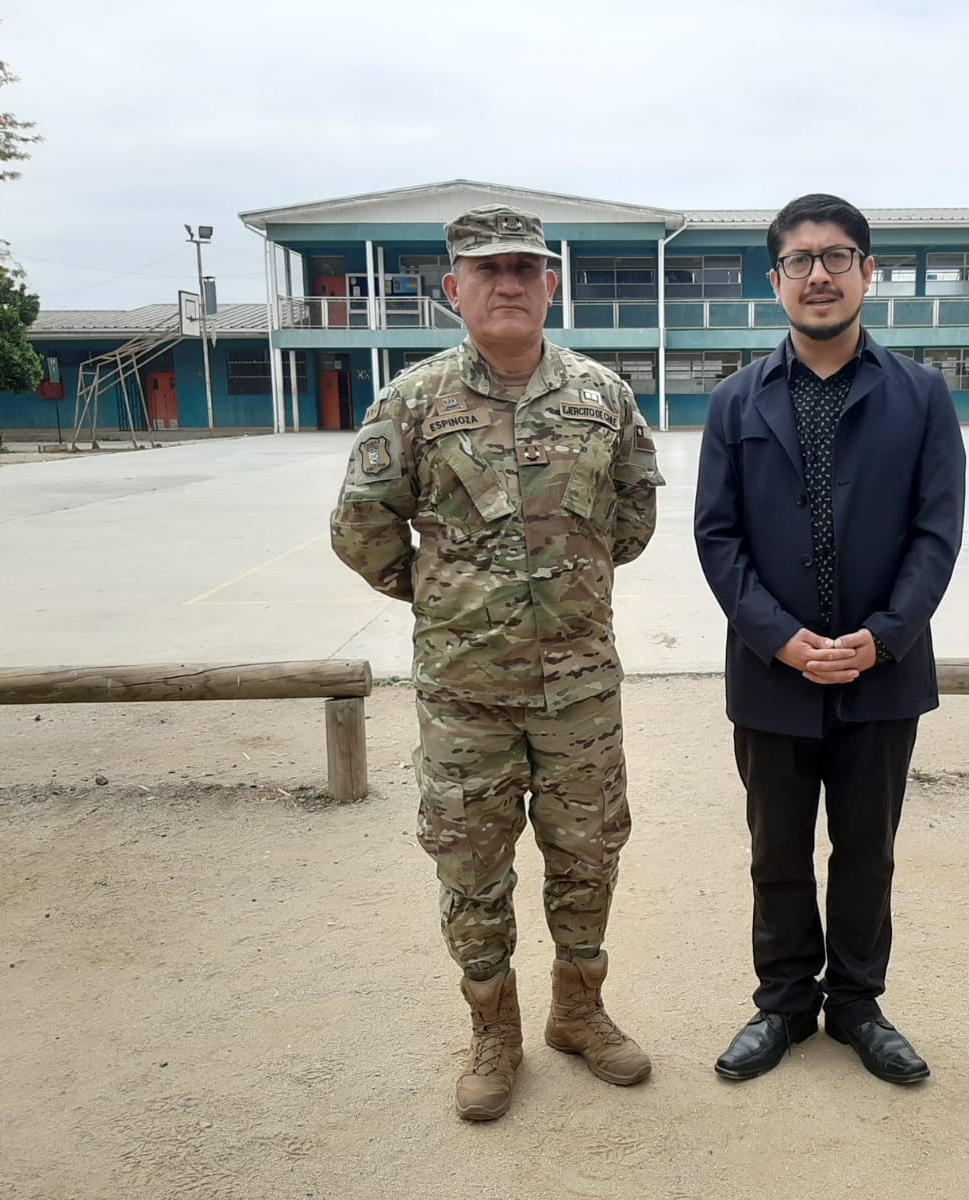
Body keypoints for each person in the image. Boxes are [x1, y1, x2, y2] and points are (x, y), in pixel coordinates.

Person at [330, 204, 665, 1121]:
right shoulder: (413, 400)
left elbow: (632, 518)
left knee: (589, 856)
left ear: (551, 284)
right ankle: (493, 1031)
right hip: (464, 698)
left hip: (580, 693)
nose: (508, 284)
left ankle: (579, 1013)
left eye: (525, 268)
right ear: (454, 290)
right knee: (472, 869)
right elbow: (359, 526)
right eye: (487, 271)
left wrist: (558, 591)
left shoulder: (604, 395)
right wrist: (444, 600)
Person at [693, 193, 966, 1085]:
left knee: (865, 850)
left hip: (880, 674)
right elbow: (717, 537)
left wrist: (883, 637)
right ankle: (783, 1004)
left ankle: (856, 1003)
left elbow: (937, 533)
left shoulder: (920, 396)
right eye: (800, 260)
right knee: (776, 850)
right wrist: (780, 637)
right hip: (773, 674)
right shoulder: (736, 401)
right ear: (775, 281)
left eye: (837, 256)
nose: (819, 274)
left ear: (867, 272)